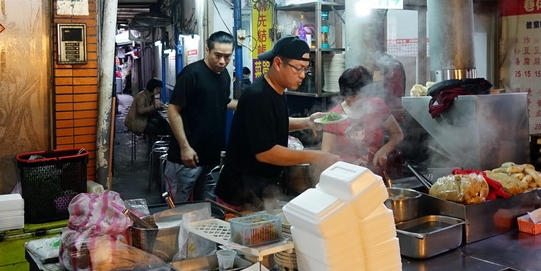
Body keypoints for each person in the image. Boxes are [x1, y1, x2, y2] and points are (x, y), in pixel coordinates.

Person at [214, 36, 340, 211]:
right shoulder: (259, 96)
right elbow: (266, 153)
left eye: (306, 69)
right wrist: (317, 157)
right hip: (241, 194)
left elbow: (271, 123)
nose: (303, 75)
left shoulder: (276, 90)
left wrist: (307, 121)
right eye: (298, 68)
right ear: (278, 63)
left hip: (260, 188)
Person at [165, 31, 238, 202]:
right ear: (207, 49)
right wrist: (184, 147)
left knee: (206, 208)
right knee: (179, 208)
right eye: (218, 55)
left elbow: (221, 101)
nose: (222, 61)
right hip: (188, 158)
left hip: (211, 158)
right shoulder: (191, 74)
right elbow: (173, 110)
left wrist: (249, 103)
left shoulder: (224, 76)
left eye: (227, 57)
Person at [320, 65, 404, 174]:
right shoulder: (334, 116)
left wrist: (383, 151)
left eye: (357, 96)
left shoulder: (377, 106)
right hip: (346, 177)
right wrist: (337, 164)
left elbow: (397, 134)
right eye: (348, 96)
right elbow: (326, 153)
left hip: (375, 175)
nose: (352, 100)